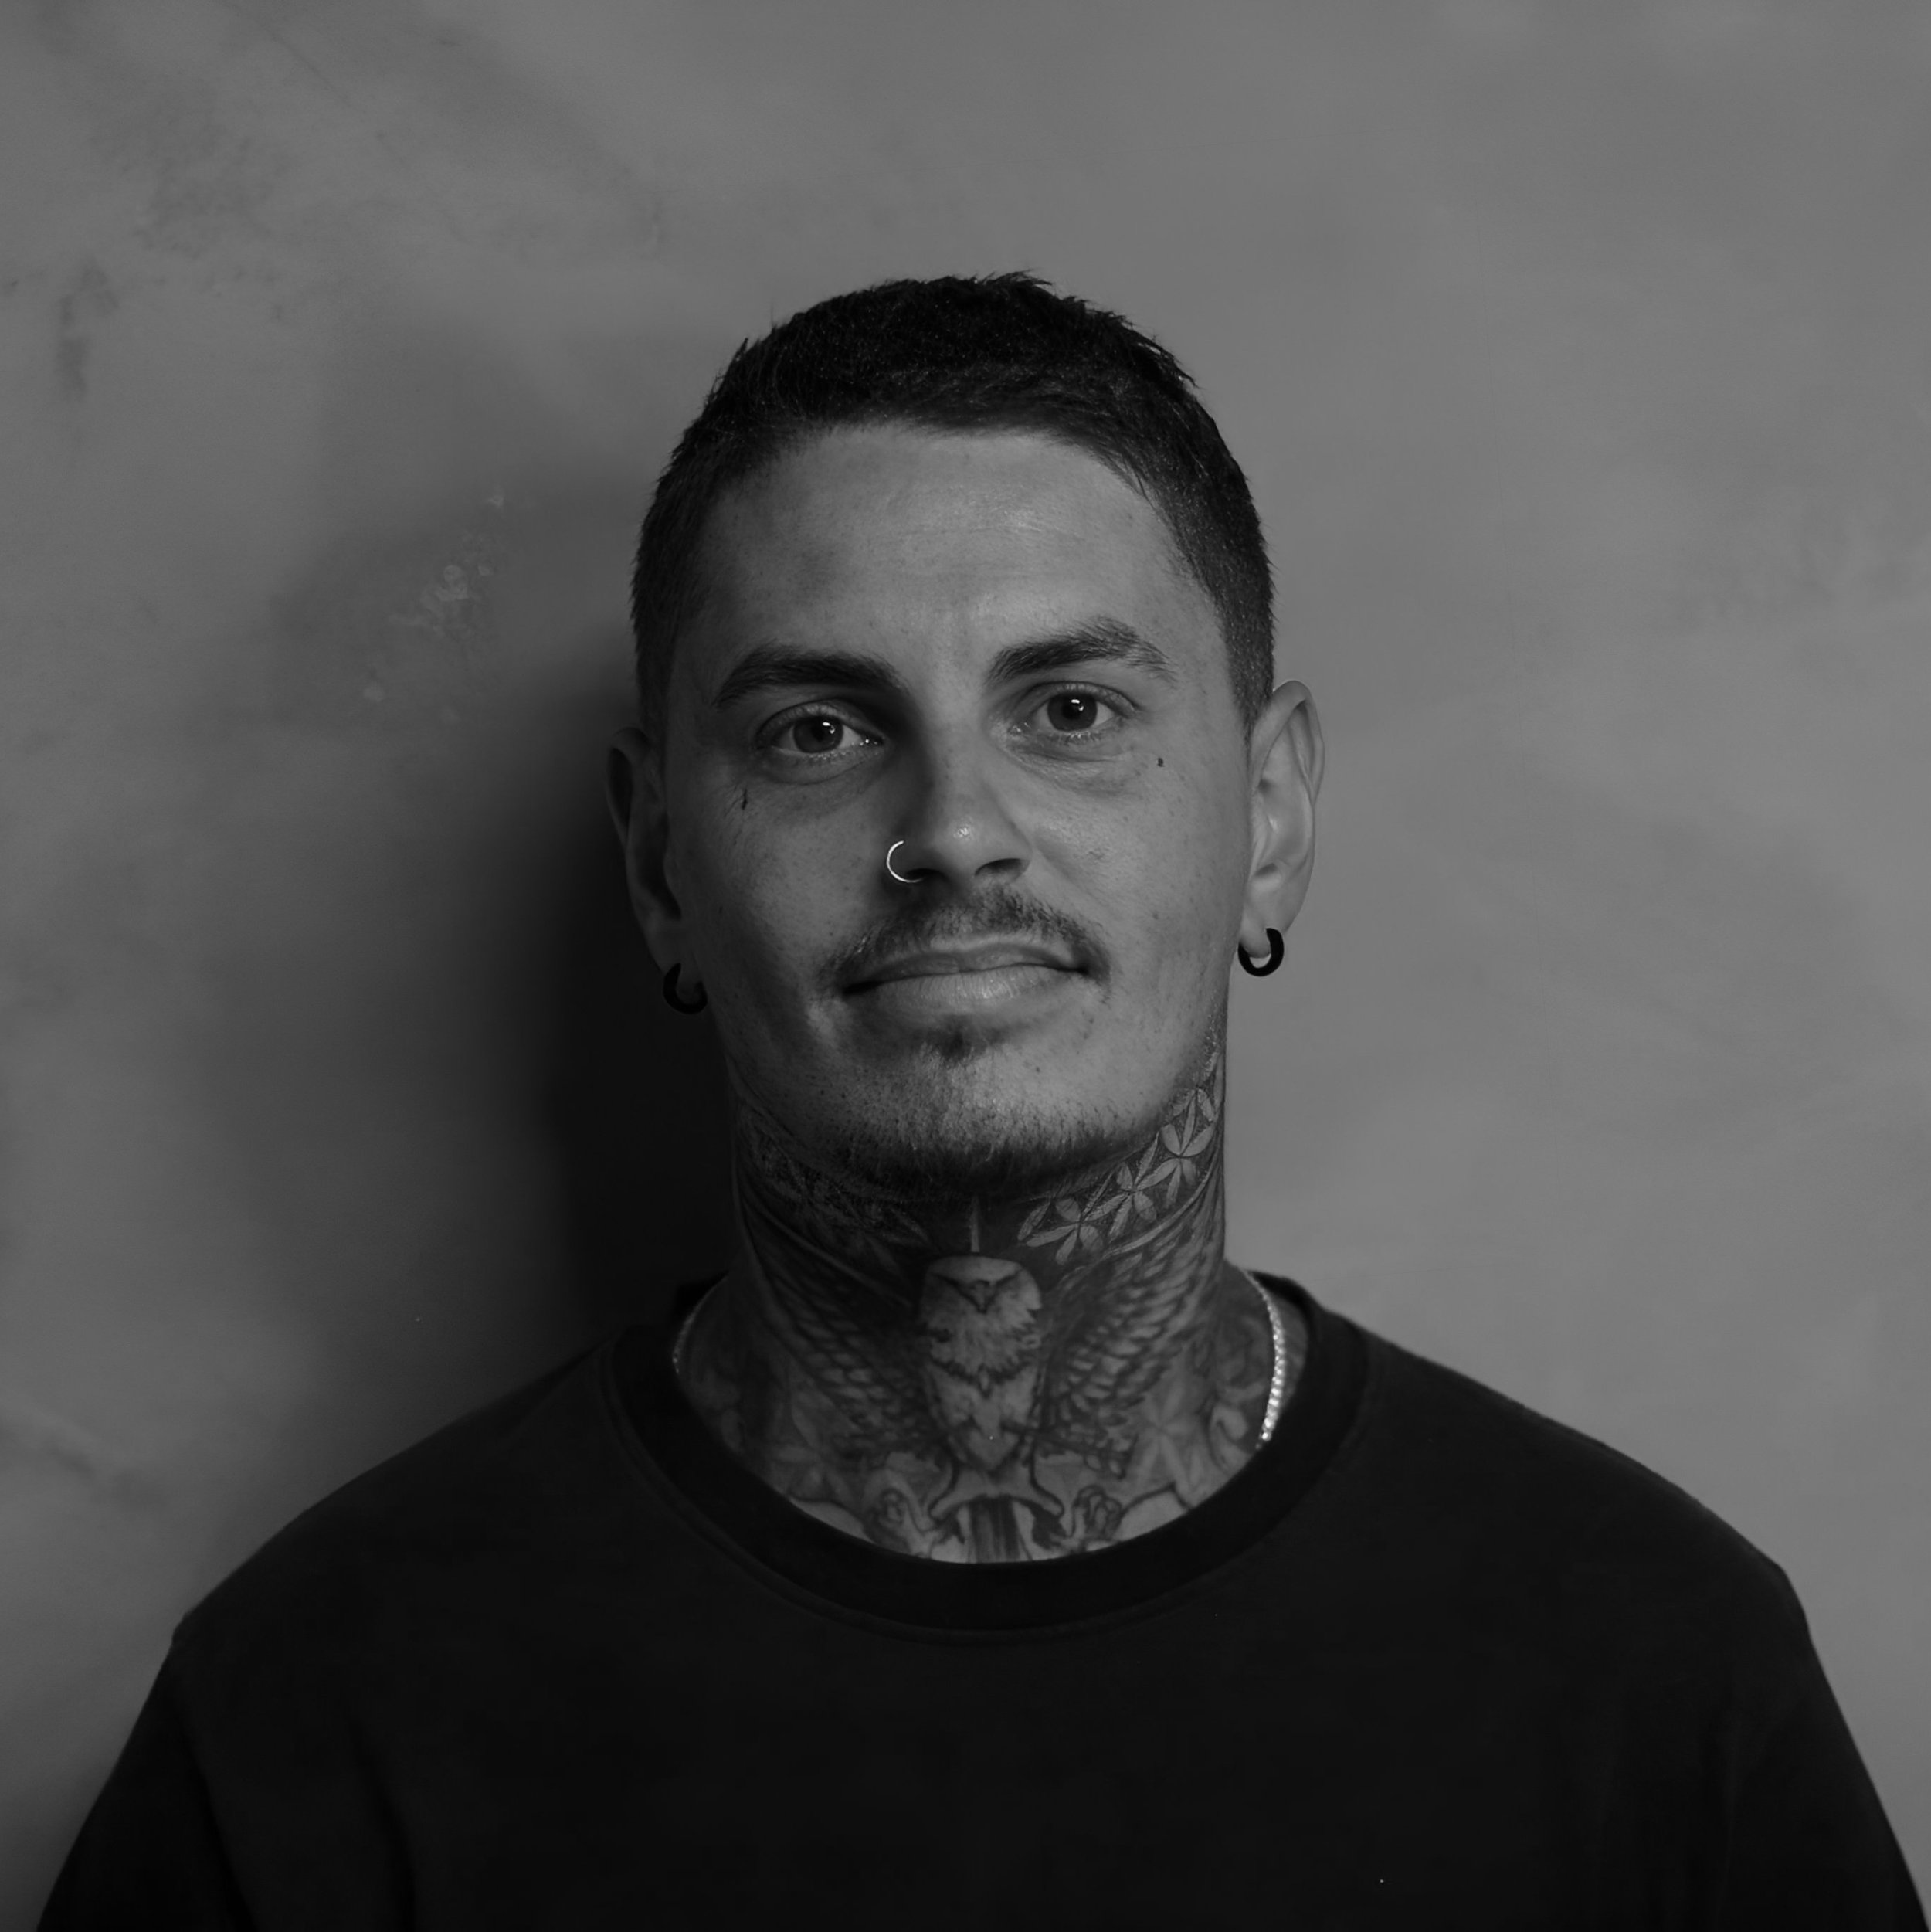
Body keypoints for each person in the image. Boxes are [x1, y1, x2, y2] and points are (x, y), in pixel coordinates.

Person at [42, 273, 1923, 1928]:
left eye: (1072, 712)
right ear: (656, 862)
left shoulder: (1651, 1667)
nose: (950, 833)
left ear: (1266, 818)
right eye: (816, 730)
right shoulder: (320, 1703)